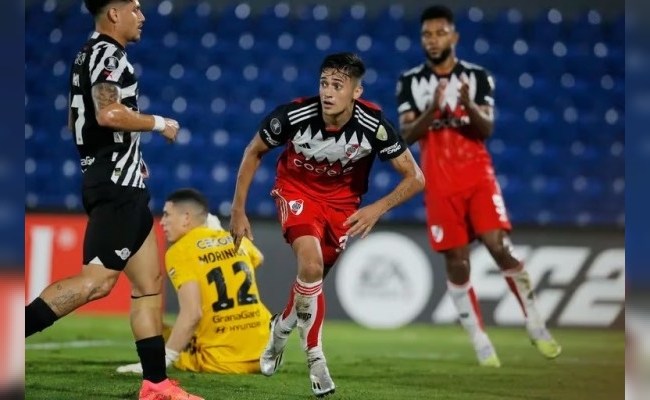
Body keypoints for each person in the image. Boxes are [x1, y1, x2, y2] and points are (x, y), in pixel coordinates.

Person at [24, 1, 203, 399]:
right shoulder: (107, 54)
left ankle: (156, 385)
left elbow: (77, 121)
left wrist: (125, 158)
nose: (142, 16)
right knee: (96, 282)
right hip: (116, 187)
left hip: (121, 180)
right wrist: (161, 124)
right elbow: (108, 115)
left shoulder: (86, 54)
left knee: (149, 286)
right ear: (114, 14)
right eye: (135, 8)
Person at [230, 52, 425, 397]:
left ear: (356, 92)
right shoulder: (293, 115)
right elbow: (253, 151)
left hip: (342, 206)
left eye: (338, 85)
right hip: (297, 191)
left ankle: (281, 328)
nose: (328, 92)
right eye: (324, 83)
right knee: (311, 263)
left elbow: (415, 178)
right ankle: (315, 359)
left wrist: (377, 208)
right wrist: (238, 210)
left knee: (311, 281)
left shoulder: (374, 125)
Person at [396, 5, 561, 367]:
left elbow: (486, 129)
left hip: (477, 177)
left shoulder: (478, 77)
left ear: (454, 37)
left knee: (498, 245)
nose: (433, 39)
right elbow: (406, 134)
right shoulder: (410, 81)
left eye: (440, 33)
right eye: (427, 34)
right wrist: (433, 109)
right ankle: (480, 340)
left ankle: (536, 324)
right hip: (438, 182)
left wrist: (466, 102)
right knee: (457, 262)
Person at [116, 189, 272, 375]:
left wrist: (163, 360)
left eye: (167, 215)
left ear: (186, 218)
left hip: (219, 361)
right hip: (263, 353)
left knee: (155, 326)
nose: (162, 222)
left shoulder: (180, 250)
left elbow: (192, 315)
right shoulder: (231, 239)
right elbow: (259, 258)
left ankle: (157, 359)